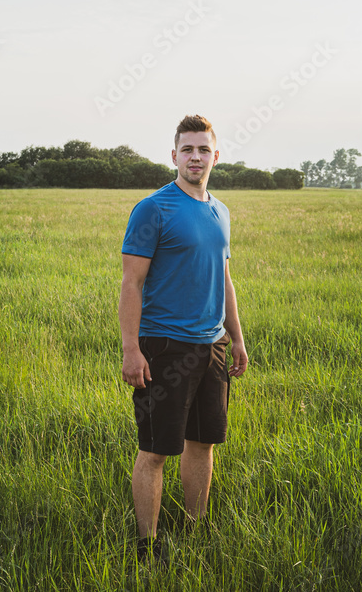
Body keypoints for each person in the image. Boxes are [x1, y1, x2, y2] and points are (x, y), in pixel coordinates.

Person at [118, 114, 249, 561]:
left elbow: (225, 278)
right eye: (187, 149)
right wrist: (132, 349)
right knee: (155, 450)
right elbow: (131, 284)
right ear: (174, 155)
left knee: (203, 443)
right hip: (164, 346)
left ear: (216, 155)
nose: (196, 157)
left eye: (203, 149)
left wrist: (237, 337)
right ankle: (145, 545)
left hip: (211, 346)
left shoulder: (220, 209)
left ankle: (195, 533)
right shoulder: (154, 208)